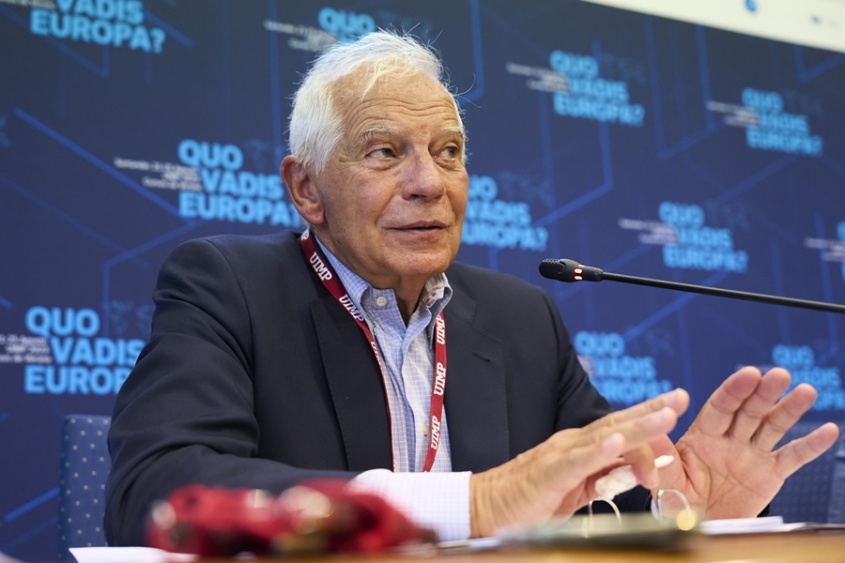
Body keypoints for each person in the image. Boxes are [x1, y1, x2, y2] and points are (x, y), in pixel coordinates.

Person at [104, 30, 839, 546]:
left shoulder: (521, 318)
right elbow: (156, 491)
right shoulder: (229, 287)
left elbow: (601, 495)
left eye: (448, 151)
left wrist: (689, 506)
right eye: (384, 152)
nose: (428, 182)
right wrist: (475, 501)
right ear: (306, 188)